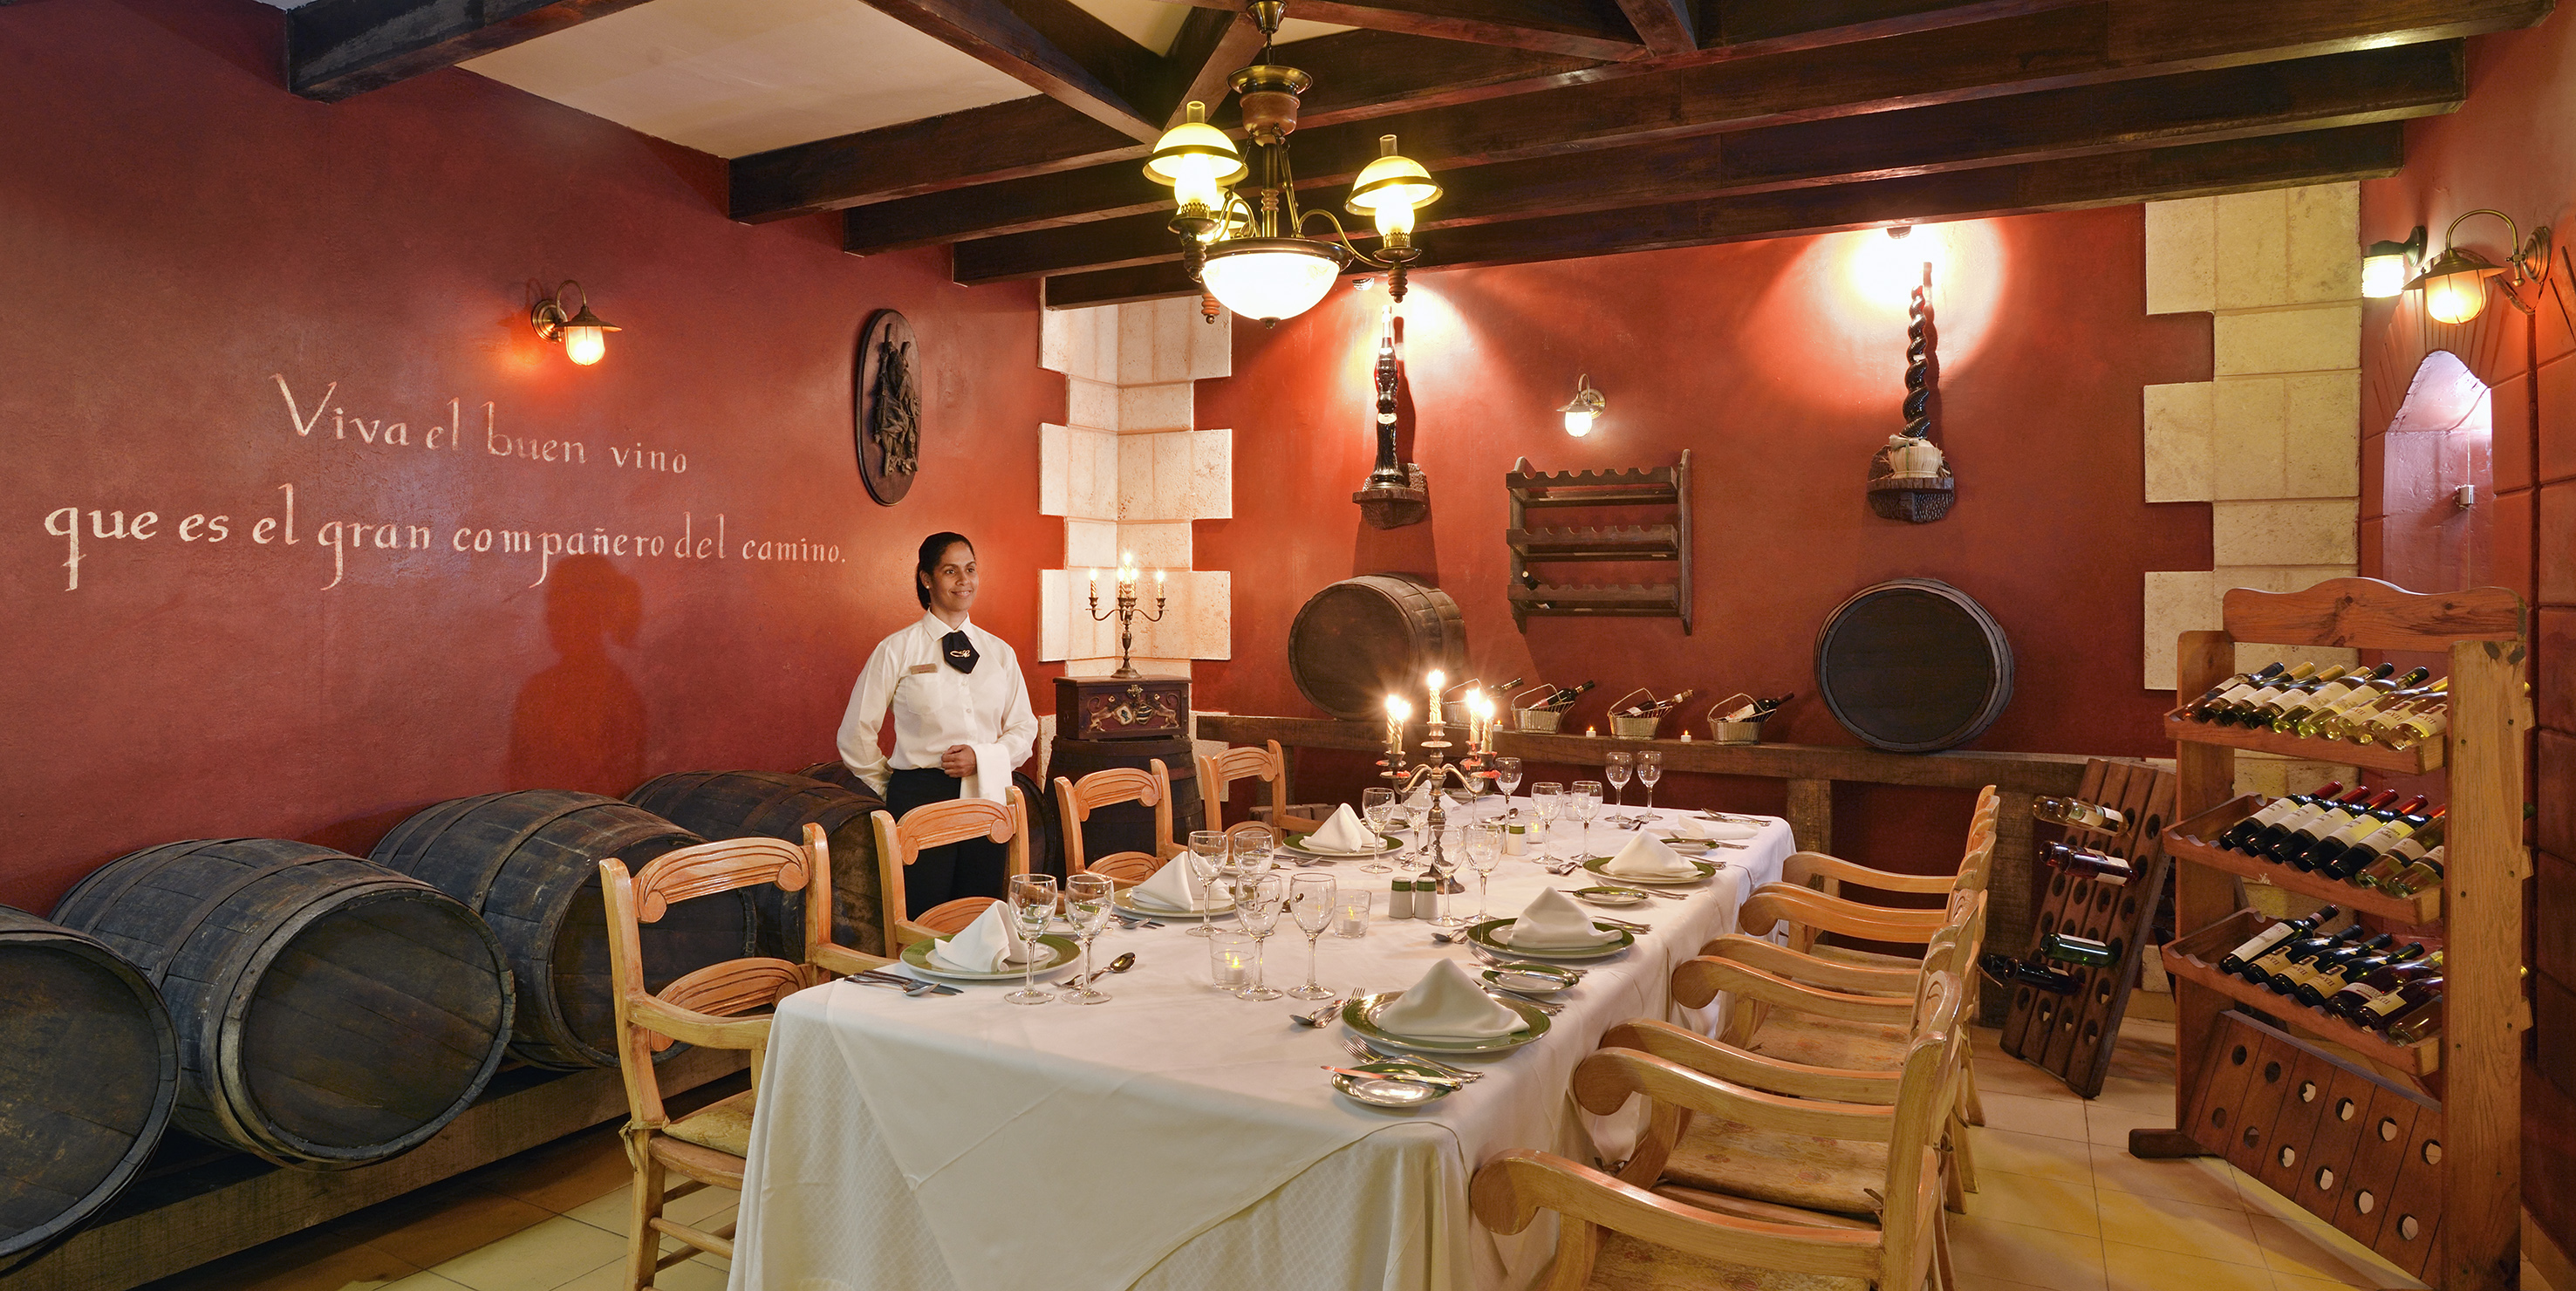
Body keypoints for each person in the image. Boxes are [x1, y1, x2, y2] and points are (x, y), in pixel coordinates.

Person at [837, 532, 1038, 918]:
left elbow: (1024, 729)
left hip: (988, 794)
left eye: (971, 569)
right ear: (926, 578)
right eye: (951, 571)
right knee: (924, 916)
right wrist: (895, 787)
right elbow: (854, 734)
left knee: (980, 914)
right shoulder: (897, 649)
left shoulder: (999, 652)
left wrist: (982, 758)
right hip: (921, 799)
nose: (964, 580)